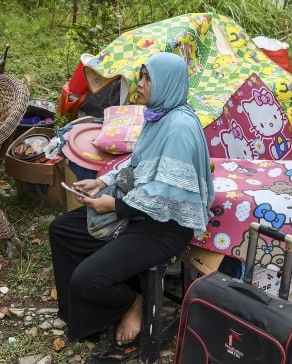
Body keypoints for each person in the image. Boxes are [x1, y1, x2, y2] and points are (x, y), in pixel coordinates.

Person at [49, 52, 215, 346]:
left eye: (148, 78)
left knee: (88, 279)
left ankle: (132, 302)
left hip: (164, 227)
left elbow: (165, 194)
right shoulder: (160, 116)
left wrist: (112, 204)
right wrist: (102, 181)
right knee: (62, 230)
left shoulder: (179, 129)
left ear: (167, 83)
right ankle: (86, 317)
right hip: (139, 211)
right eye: (142, 76)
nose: (140, 84)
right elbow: (136, 164)